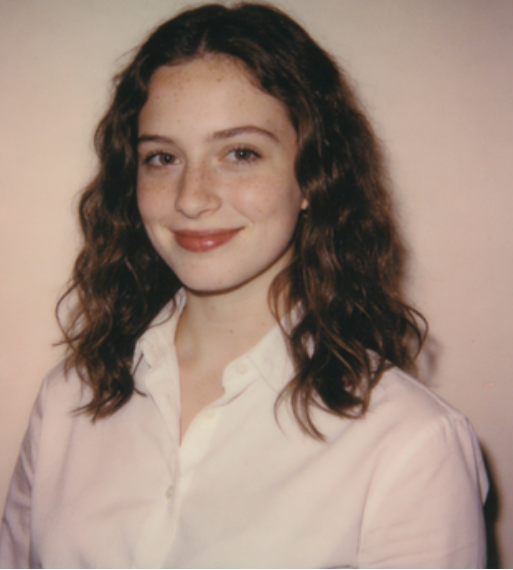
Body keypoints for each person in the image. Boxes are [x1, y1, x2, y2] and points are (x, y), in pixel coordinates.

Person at [0, 2, 488, 568]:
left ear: (314, 175)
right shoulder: (68, 398)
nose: (191, 197)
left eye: (240, 153)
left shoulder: (412, 444)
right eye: (162, 157)